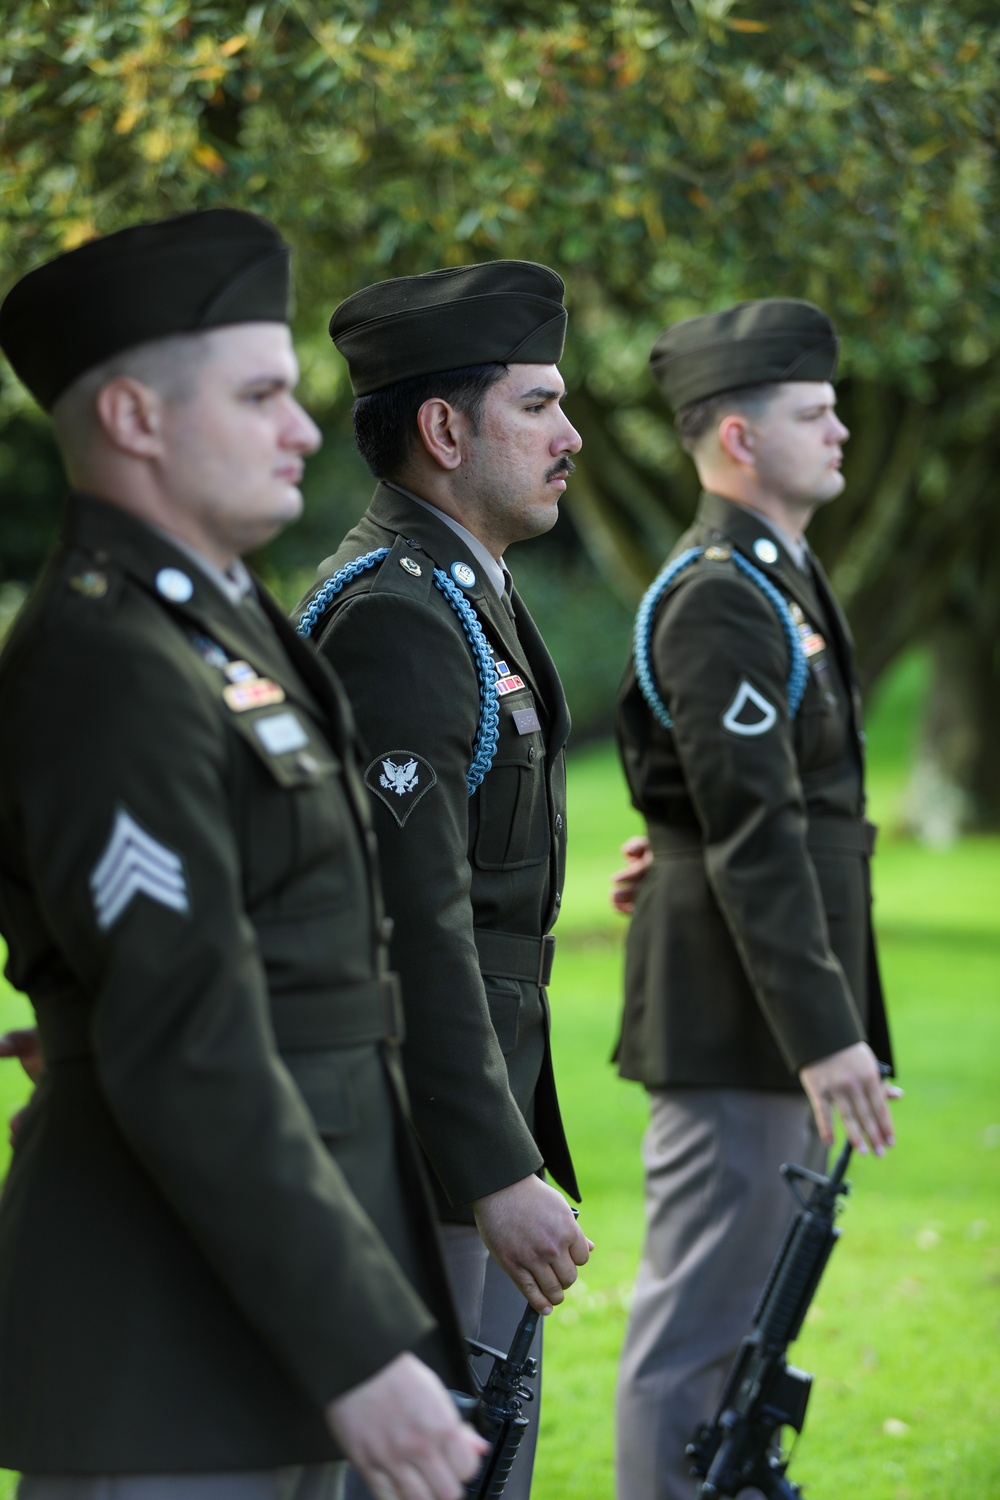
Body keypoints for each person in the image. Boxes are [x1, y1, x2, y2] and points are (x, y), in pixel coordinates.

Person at [0, 209, 486, 1500]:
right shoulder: (111, 660)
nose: (307, 429)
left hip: (261, 1299)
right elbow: (190, 1041)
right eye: (263, 394)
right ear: (134, 419)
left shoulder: (219, 621)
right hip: (168, 1332)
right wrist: (360, 1345)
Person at [294, 261, 593, 1498]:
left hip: (462, 1132)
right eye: (540, 405)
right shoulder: (396, 614)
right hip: (422, 1156)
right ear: (443, 427)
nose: (571, 436)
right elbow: (416, 931)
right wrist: (492, 1167)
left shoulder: (462, 594)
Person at [611, 299, 900, 1500]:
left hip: (757, 1011)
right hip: (738, 1018)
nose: (840, 428)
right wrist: (825, 1032)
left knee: (740, 1339)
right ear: (737, 436)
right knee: (695, 1340)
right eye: (813, 411)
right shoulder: (725, 592)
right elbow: (754, 831)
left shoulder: (774, 579)